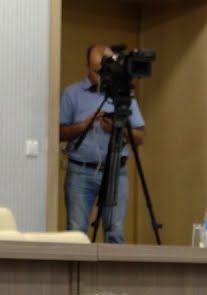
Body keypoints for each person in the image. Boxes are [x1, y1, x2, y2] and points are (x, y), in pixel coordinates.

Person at [59, 44, 146, 244]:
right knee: (76, 232)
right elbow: (59, 133)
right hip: (81, 171)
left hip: (116, 171)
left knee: (115, 232)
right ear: (87, 67)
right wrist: (84, 125)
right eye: (96, 71)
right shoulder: (72, 93)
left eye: (105, 71)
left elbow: (140, 136)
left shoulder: (124, 95)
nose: (101, 76)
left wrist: (118, 129)